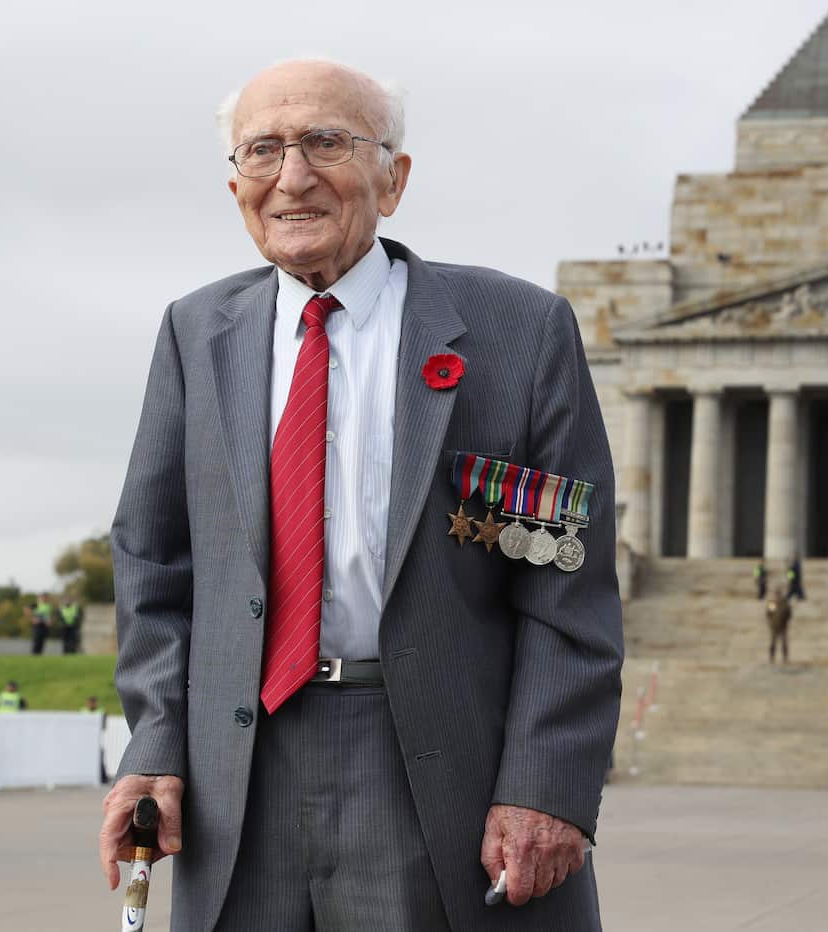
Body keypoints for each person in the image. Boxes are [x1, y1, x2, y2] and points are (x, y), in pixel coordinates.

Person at [98, 59, 622, 931]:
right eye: (262, 150)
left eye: (325, 143)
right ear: (237, 185)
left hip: (438, 777)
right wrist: (153, 747)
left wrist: (545, 787)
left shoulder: (517, 333)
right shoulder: (195, 333)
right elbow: (154, 563)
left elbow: (567, 584)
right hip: (238, 778)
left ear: (395, 176)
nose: (292, 176)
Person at [766, 587, 791, 663]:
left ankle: (785, 658)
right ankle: (772, 658)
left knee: (784, 643)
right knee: (773, 642)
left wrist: (785, 621)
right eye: (776, 594)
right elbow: (768, 614)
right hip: (774, 626)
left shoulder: (785, 602)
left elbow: (789, 613)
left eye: (779, 593)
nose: (778, 595)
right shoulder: (772, 603)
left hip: (783, 626)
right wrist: (771, 623)